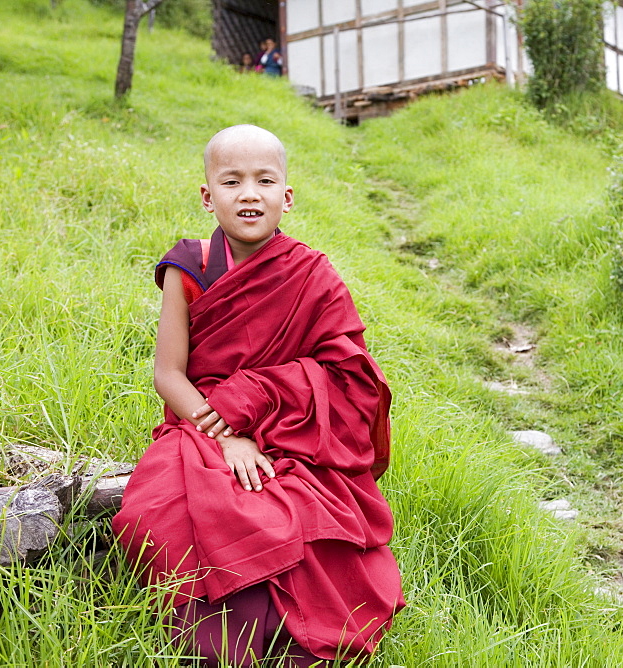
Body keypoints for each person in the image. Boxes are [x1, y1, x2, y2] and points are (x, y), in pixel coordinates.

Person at [112, 124, 405, 667]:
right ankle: (222, 639)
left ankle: (294, 635)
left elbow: (351, 380)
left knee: (307, 513)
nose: (250, 193)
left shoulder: (312, 274)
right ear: (208, 195)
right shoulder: (190, 267)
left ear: (286, 197)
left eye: (265, 180)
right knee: (165, 508)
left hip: (295, 432)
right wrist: (228, 437)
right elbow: (169, 376)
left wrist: (260, 397)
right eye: (232, 181)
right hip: (201, 424)